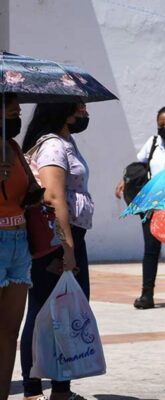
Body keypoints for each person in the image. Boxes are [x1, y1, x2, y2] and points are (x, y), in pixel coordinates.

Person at [21, 102, 94, 400]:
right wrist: (67, 248)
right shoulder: (52, 146)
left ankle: (60, 390)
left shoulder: (65, 141)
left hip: (69, 236)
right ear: (62, 110)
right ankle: (33, 391)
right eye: (80, 108)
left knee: (64, 314)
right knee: (42, 315)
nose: (85, 113)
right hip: (58, 239)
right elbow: (53, 198)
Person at [115, 106, 165, 309]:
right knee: (151, 250)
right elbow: (138, 165)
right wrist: (125, 181)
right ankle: (147, 295)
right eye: (162, 125)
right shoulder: (152, 144)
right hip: (152, 205)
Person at [0, 93, 40, 400]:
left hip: (19, 242)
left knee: (9, 333)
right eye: (11, 108)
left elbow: (30, 192)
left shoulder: (13, 147)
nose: (17, 114)